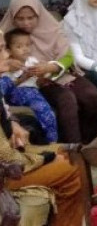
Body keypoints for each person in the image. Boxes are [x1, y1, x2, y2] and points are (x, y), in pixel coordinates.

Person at [0, 28, 84, 226]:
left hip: (11, 159)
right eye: (1, 49)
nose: (7, 54)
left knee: (71, 154)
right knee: (73, 167)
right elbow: (9, 159)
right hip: (6, 172)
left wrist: (12, 122)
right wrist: (46, 157)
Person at [0, 0, 97, 143]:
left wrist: (52, 67)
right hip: (33, 83)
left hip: (60, 73)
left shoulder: (52, 28)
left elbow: (68, 55)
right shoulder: (5, 35)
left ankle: (92, 142)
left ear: (39, 14)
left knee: (91, 94)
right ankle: (72, 147)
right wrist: (10, 64)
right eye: (20, 19)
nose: (26, 23)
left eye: (31, 18)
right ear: (12, 17)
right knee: (66, 99)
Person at [0, 29, 58, 143]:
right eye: (19, 46)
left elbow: (39, 82)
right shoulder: (8, 66)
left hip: (33, 91)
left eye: (28, 45)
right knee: (43, 108)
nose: (25, 49)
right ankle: (51, 141)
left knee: (45, 111)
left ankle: (50, 140)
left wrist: (42, 74)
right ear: (10, 50)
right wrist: (23, 77)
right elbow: (8, 88)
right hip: (21, 92)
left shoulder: (32, 61)